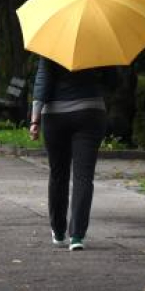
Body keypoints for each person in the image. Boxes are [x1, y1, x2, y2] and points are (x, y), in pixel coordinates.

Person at [28, 56, 108, 251]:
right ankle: (77, 236)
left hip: (56, 116)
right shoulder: (99, 45)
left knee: (58, 174)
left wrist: (35, 120)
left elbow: (43, 80)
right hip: (90, 113)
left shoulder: (52, 44)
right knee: (84, 176)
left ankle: (58, 230)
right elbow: (112, 81)